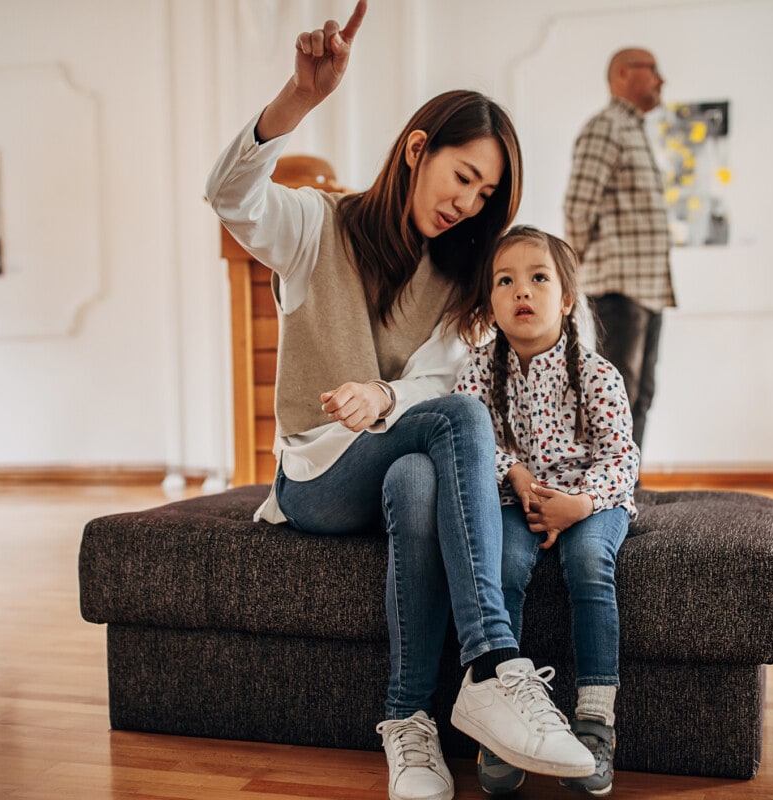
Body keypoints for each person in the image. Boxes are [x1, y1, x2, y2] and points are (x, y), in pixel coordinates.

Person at [204, 3, 594, 798]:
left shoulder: (458, 283)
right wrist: (298, 99)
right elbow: (228, 196)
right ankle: (493, 664)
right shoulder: (317, 228)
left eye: (487, 195)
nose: (469, 204)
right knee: (458, 421)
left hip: (389, 468)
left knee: (417, 479)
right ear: (418, 150)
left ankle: (409, 726)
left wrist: (382, 395)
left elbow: (438, 384)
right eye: (463, 177)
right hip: (315, 479)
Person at [454, 226, 639, 797]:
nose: (521, 292)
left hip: (591, 498)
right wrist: (514, 472)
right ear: (490, 302)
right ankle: (503, 718)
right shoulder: (478, 371)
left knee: (588, 565)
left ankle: (594, 719)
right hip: (514, 498)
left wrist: (577, 505)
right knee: (504, 567)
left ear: (564, 299)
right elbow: (469, 440)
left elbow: (623, 458)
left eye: (538, 278)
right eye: (505, 281)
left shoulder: (597, 375)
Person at [563, 47, 674, 459]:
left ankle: (629, 483)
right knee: (619, 394)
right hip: (618, 286)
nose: (661, 79)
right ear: (623, 74)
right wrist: (575, 267)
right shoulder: (605, 127)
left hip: (648, 287)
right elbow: (578, 206)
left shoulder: (635, 130)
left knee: (642, 392)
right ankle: (609, 489)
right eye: (653, 69)